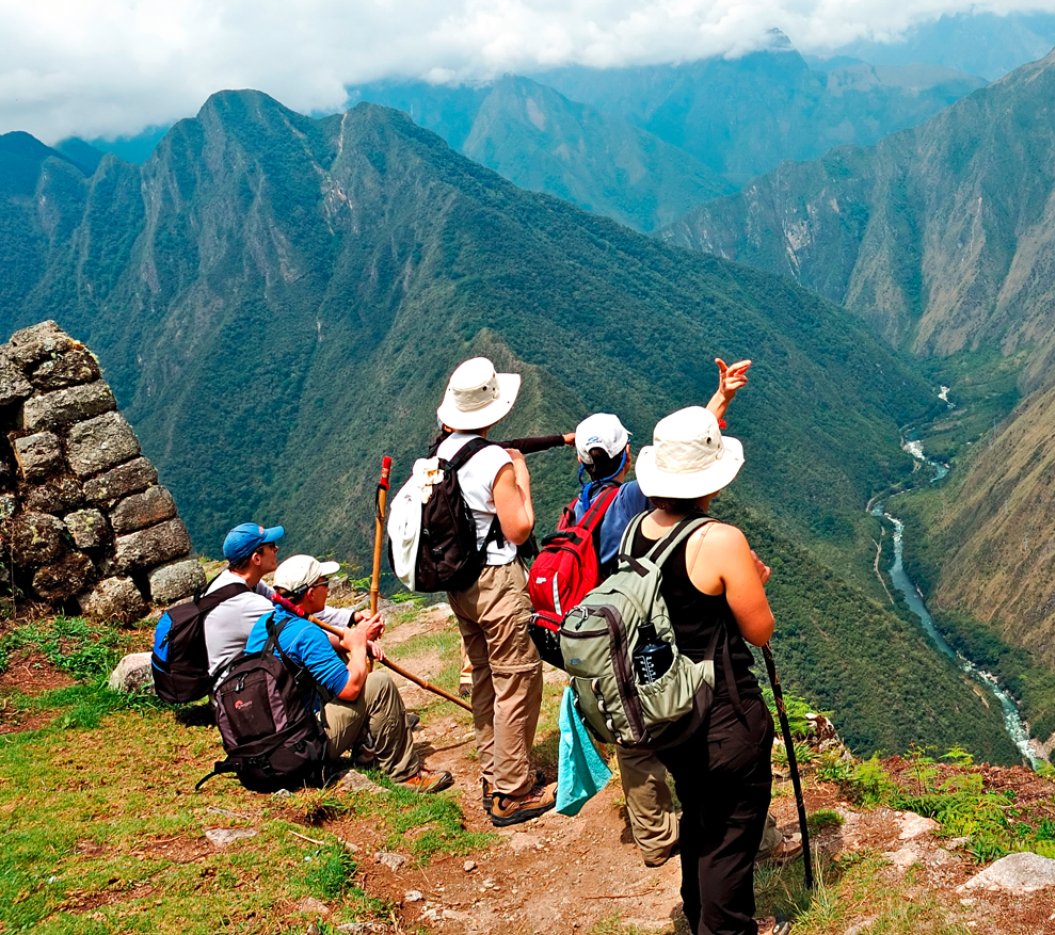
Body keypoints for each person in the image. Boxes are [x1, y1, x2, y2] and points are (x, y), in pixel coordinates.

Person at [566, 358, 751, 867]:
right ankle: (724, 828)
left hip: (603, 633)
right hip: (647, 631)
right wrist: (719, 404)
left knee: (632, 735)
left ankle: (653, 836)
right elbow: (686, 469)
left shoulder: (581, 506)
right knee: (676, 726)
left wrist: (720, 402)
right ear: (627, 458)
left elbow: (680, 458)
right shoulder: (632, 500)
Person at [632, 405, 776, 935]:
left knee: (700, 817)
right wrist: (755, 579)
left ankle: (698, 918)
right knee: (731, 835)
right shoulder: (718, 539)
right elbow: (759, 631)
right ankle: (727, 928)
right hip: (724, 714)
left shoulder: (634, 533)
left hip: (666, 712)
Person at [433, 356, 555, 825]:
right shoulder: (495, 461)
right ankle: (512, 791)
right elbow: (520, 528)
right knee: (518, 679)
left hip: (460, 584)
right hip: (498, 581)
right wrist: (521, 474)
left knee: (485, 676)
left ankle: (495, 772)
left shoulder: (440, 455)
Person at [242, 554, 452, 792]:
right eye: (324, 584)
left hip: (271, 743)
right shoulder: (305, 634)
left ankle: (367, 750)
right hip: (300, 748)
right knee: (379, 685)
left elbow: (312, 645)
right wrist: (359, 647)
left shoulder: (266, 623)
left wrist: (347, 642)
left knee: (340, 659)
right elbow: (350, 690)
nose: (328, 589)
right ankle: (404, 774)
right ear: (310, 593)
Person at [203, 521, 370, 676]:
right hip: (242, 689)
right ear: (256, 558)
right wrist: (356, 640)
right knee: (324, 653)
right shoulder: (246, 604)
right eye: (271, 546)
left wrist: (352, 617)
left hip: (252, 671)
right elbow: (298, 630)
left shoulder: (238, 581)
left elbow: (293, 606)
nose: (277, 549)